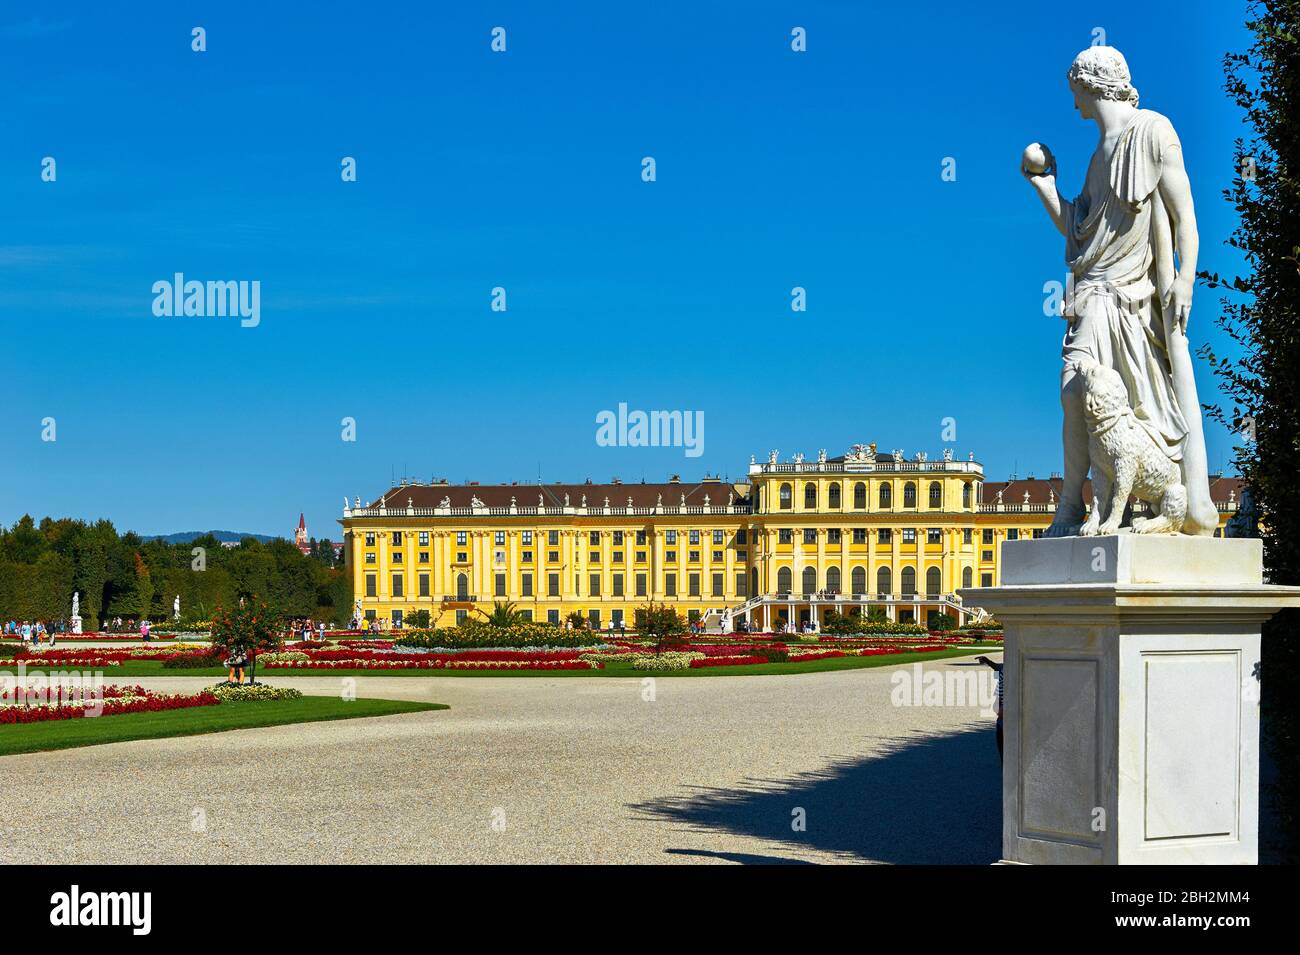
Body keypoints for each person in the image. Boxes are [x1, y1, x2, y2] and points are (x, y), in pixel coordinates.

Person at [977, 655, 1005, 762]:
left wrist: (1004, 706)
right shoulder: (1007, 666)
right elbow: (998, 667)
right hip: (1002, 713)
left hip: (1006, 713)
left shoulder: (1013, 668)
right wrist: (988, 662)